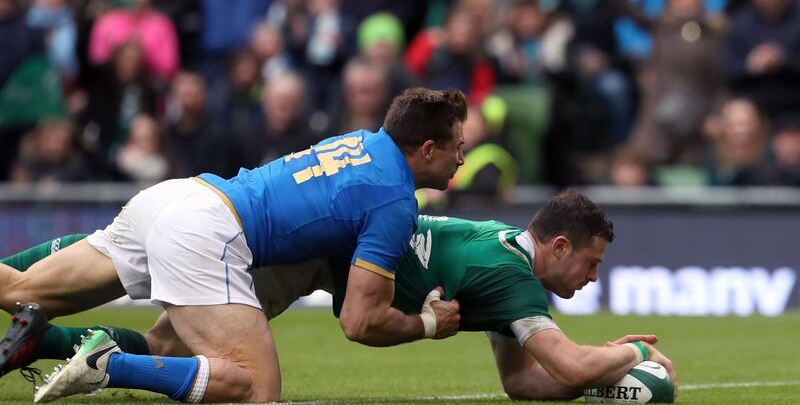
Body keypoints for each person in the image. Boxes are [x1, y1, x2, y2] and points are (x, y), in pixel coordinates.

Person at [0, 87, 467, 403]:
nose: (463, 156)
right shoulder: (394, 199)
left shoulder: (363, 140)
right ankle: (109, 364)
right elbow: (360, 321)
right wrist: (427, 323)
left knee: (19, 287)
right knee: (257, 388)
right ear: (426, 149)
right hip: (207, 232)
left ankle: (54, 342)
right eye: (457, 146)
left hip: (177, 196)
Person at [1, 190, 677, 401]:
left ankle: (49, 341)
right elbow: (562, 368)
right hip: (296, 251)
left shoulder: (504, 260)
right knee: (234, 380)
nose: (592, 277)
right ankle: (98, 359)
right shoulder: (512, 277)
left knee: (168, 344)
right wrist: (623, 360)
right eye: (590, 263)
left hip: (292, 241)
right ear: (558, 246)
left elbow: (525, 383)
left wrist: (598, 375)